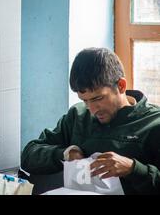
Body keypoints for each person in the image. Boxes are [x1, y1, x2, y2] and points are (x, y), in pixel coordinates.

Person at [21, 47, 160, 194]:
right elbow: (29, 155)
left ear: (121, 86)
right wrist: (64, 154)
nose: (92, 110)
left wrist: (133, 169)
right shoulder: (78, 116)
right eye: (85, 100)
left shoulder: (154, 123)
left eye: (98, 98)